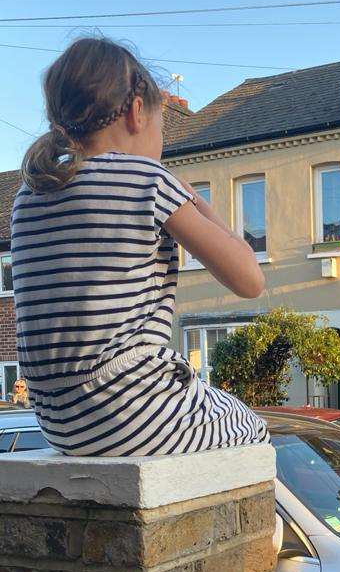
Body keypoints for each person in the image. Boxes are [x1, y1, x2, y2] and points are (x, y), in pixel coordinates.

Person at [12, 37, 268, 457]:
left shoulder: (30, 194)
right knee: (252, 430)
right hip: (131, 411)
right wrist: (195, 202)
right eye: (161, 127)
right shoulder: (146, 179)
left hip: (57, 422)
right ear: (136, 112)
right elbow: (249, 279)